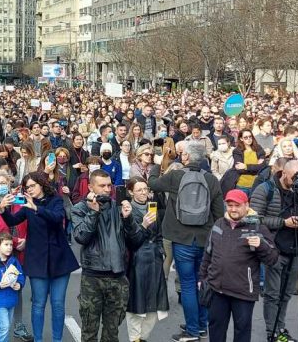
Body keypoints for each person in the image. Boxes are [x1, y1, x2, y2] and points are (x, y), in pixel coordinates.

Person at [147, 141, 223, 342]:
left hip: (181, 238)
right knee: (201, 281)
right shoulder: (212, 180)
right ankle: (200, 326)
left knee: (188, 284)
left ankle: (191, 330)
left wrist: (158, 162)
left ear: (187, 157)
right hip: (205, 239)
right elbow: (219, 213)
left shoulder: (176, 176)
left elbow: (152, 183)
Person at [70, 169, 151, 342]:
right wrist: (93, 212)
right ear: (91, 186)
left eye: (109, 185)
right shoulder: (80, 209)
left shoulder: (120, 207)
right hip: (93, 277)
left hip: (118, 277)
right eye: (102, 186)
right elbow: (81, 237)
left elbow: (136, 241)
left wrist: (129, 219)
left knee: (112, 332)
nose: (107, 189)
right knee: (89, 331)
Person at [0, 171, 78, 342]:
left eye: (32, 186)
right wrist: (3, 209)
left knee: (57, 304)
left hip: (59, 258)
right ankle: (38, 339)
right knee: (38, 304)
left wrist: (36, 208)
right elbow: (12, 221)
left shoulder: (55, 200)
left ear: (41, 184)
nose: (30, 190)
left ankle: (57, 339)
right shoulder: (27, 204)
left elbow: (58, 218)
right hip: (37, 259)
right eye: (27, 187)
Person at [200, 190, 278, 342]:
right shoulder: (218, 224)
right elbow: (207, 254)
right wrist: (202, 279)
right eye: (230, 205)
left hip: (243, 293)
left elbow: (273, 259)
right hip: (217, 289)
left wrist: (261, 245)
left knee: (242, 332)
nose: (233, 209)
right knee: (216, 331)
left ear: (246, 206)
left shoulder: (257, 227)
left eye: (237, 205)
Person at [249, 160, 298, 340]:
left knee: (286, 293)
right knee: (273, 294)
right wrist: (283, 222)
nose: (297, 181)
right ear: (283, 174)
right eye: (294, 178)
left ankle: (280, 328)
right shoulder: (266, 189)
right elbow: (254, 219)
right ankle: (272, 332)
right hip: (274, 249)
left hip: (297, 248)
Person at [0, 169, 32, 342]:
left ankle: (18, 325)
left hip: (17, 250)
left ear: (10, 184)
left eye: (4, 183)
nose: (1, 186)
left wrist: (24, 240)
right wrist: (15, 240)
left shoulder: (15, 200)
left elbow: (24, 220)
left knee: (16, 285)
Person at [123, 177, 169, 342]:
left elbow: (159, 234)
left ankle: (142, 338)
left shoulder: (153, 207)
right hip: (137, 261)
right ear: (131, 192)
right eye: (139, 190)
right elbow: (132, 241)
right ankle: (135, 338)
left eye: (146, 189)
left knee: (154, 307)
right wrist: (142, 225)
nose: (144, 193)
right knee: (136, 306)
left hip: (155, 260)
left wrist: (160, 250)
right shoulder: (127, 210)